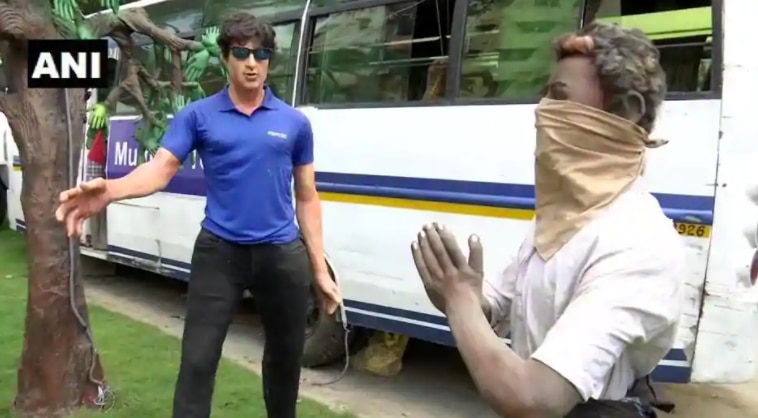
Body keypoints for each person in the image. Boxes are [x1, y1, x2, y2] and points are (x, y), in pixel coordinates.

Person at [54, 12, 341, 418]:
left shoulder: (294, 123)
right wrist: (111, 190)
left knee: (284, 362)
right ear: (225, 57)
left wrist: (320, 271)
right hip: (220, 254)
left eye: (261, 54)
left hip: (281, 255)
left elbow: (307, 197)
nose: (252, 63)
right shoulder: (198, 115)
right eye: (241, 53)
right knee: (198, 362)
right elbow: (161, 168)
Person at [411, 22, 684, 418]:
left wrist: (459, 304)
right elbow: (499, 306)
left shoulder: (638, 244)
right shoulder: (564, 219)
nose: (542, 110)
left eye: (558, 96)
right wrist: (468, 296)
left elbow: (534, 397)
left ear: (626, 111)